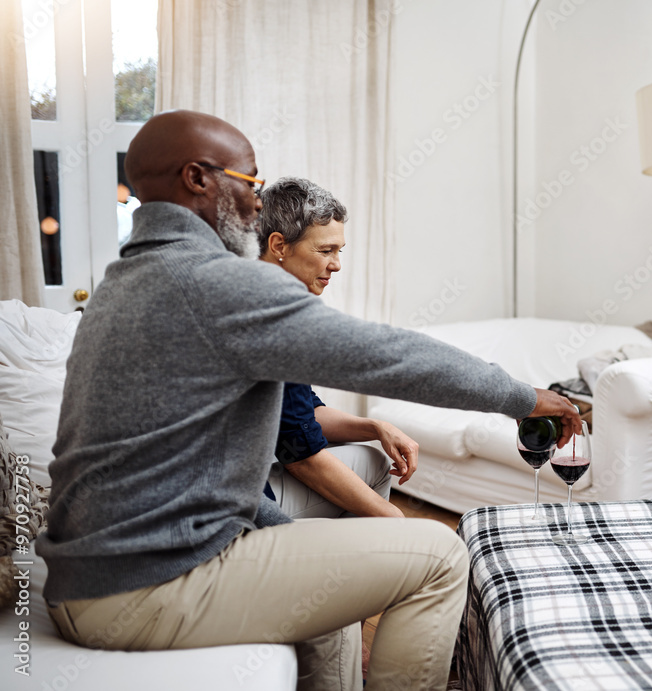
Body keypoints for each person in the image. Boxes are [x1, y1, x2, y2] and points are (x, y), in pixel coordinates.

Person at [36, 109, 580, 691]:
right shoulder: (213, 284)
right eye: (249, 183)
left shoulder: (126, 279)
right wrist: (522, 398)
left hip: (95, 578)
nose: (255, 200)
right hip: (142, 588)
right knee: (441, 558)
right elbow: (388, 356)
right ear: (197, 178)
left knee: (333, 582)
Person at [257, 177, 411, 521]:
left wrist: (375, 427)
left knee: (371, 457)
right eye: (325, 251)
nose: (337, 264)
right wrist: (394, 519)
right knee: (380, 498)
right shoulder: (276, 316)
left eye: (339, 251)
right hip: (241, 505)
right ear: (279, 245)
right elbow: (301, 454)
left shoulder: (258, 292)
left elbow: (302, 413)